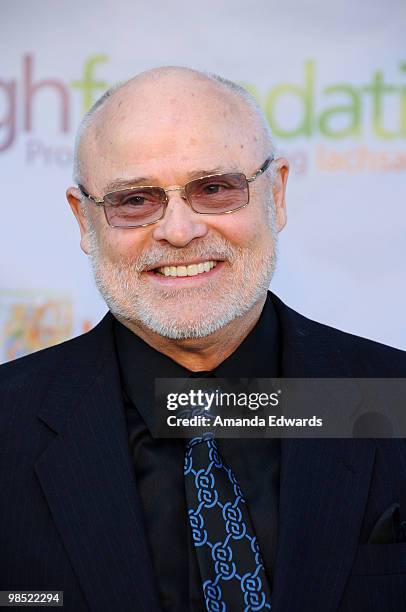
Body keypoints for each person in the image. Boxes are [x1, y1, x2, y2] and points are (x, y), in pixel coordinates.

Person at [1, 66, 406, 612]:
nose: (179, 230)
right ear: (83, 220)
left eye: (214, 189)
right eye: (135, 200)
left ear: (277, 194)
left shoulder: (392, 398)